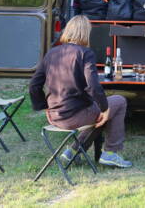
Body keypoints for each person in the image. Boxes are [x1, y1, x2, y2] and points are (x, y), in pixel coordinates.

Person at [29, 15, 132, 168]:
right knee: (118, 101)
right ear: (85, 33)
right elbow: (92, 86)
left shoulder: (52, 53)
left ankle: (73, 151)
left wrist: (45, 107)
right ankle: (111, 152)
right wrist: (104, 108)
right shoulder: (85, 53)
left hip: (55, 117)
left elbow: (33, 85)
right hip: (75, 116)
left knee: (100, 115)